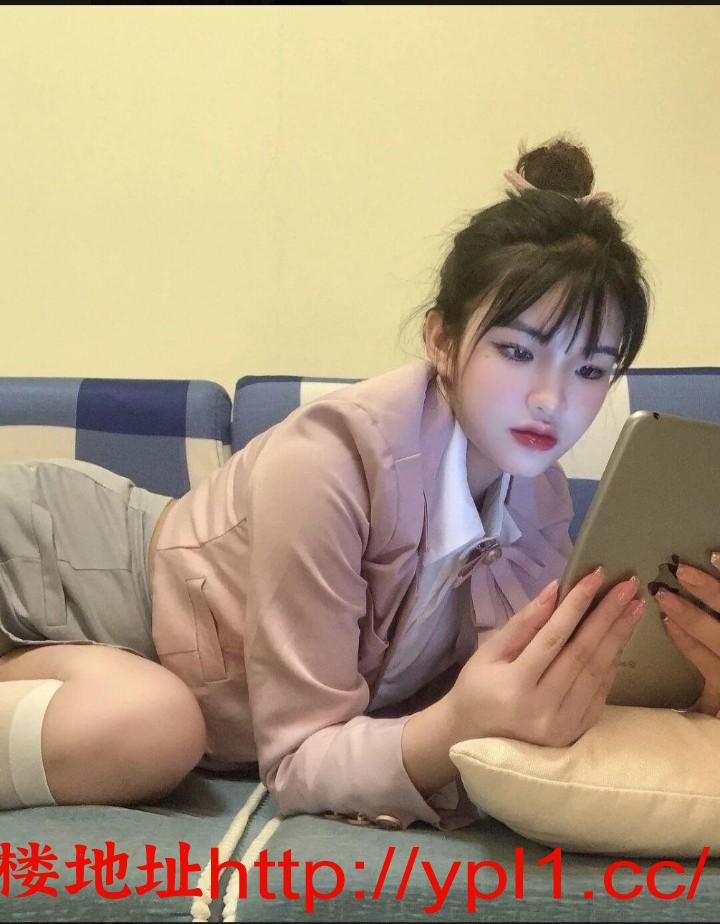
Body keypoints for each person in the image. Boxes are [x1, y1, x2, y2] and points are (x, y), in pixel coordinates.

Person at [3, 134, 713, 829]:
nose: (552, 400)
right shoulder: (329, 461)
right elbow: (301, 761)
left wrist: (697, 688)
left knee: (150, 721)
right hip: (49, 558)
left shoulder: (536, 498)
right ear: (441, 340)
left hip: (120, 651)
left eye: (590, 369)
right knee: (150, 727)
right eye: (518, 351)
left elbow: (535, 706)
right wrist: (456, 721)